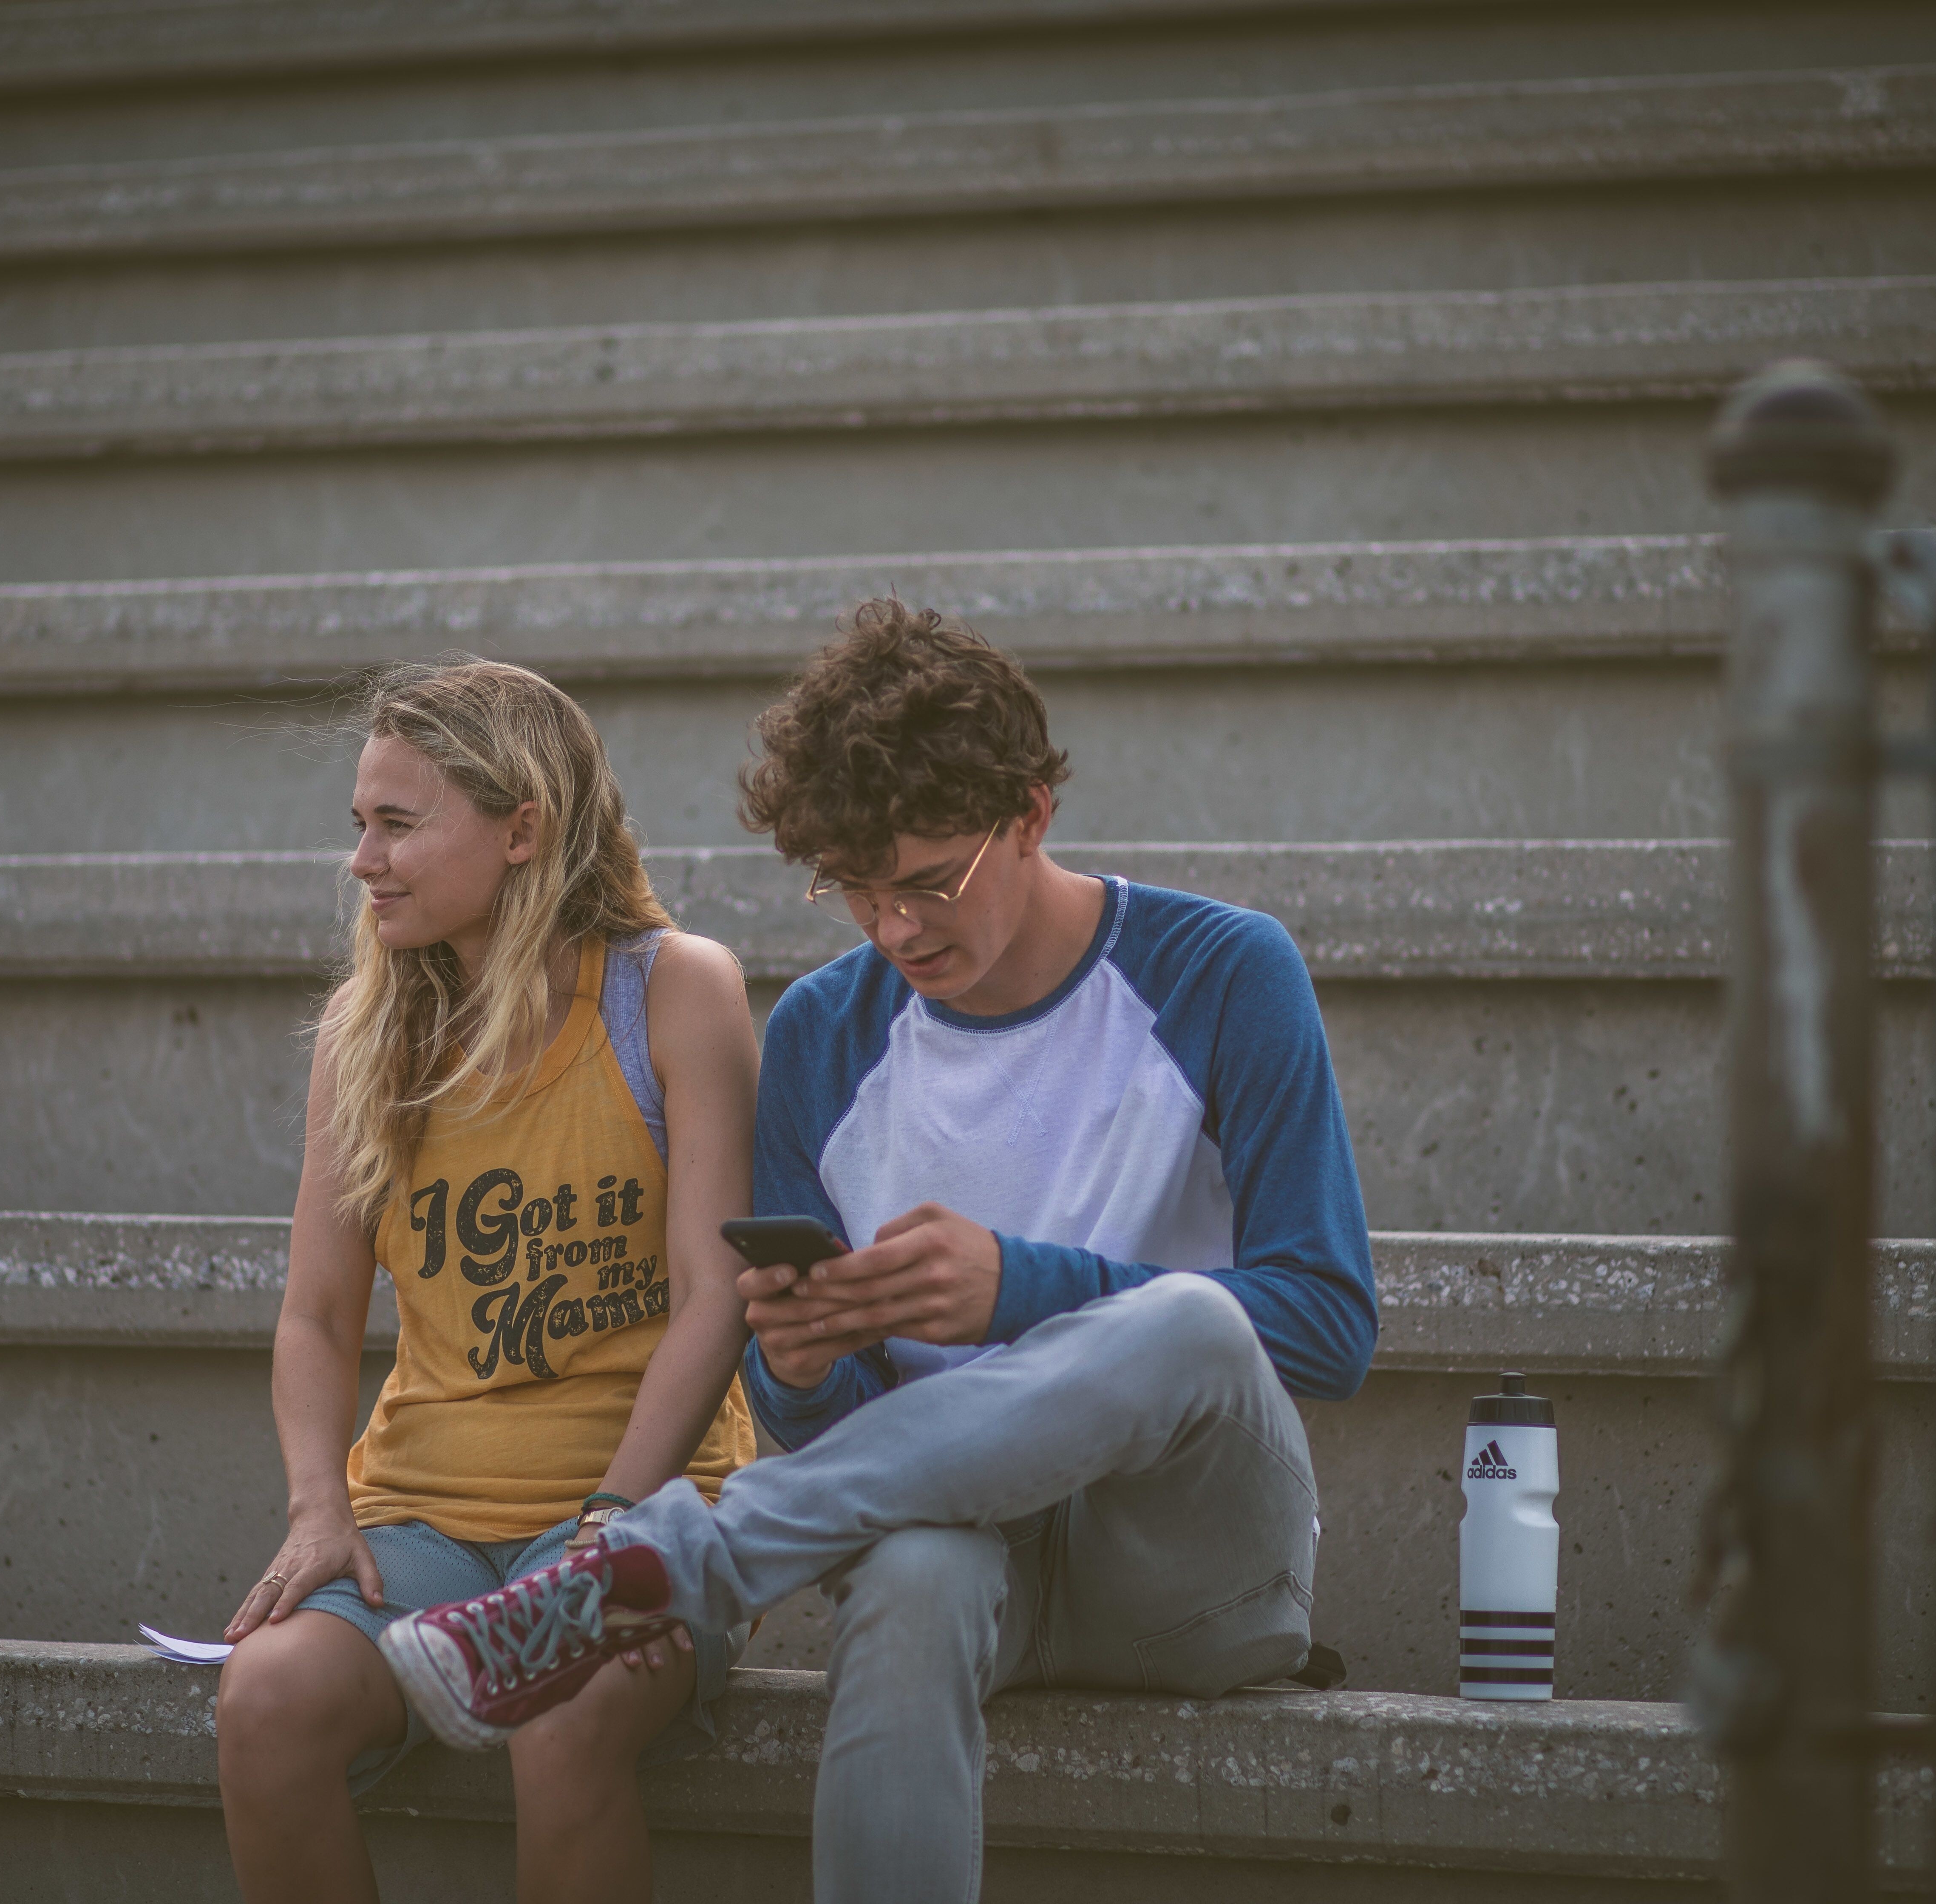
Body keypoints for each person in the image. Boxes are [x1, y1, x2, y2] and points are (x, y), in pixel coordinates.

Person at [371, 601, 1380, 1902]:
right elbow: (833, 1425)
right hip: (961, 1551)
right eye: (856, 888)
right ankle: (655, 1572)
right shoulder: (822, 1036)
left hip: (1191, 1565)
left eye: (931, 881)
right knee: (907, 1573)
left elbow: (1327, 1323)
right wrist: (799, 1365)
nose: (896, 928)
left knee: (1191, 1322)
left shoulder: (1222, 972)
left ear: (1031, 815)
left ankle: (674, 1565)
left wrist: (1018, 1288)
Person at [212, 660, 762, 1904]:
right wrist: (319, 1507)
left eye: (399, 825)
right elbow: (316, 1316)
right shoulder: (365, 1029)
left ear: (525, 831)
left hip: (643, 1506)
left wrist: (613, 1523)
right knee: (265, 1703)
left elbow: (714, 1292)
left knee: (556, 1711)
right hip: (421, 1524)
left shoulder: (676, 990)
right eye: (360, 824)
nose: (364, 861)